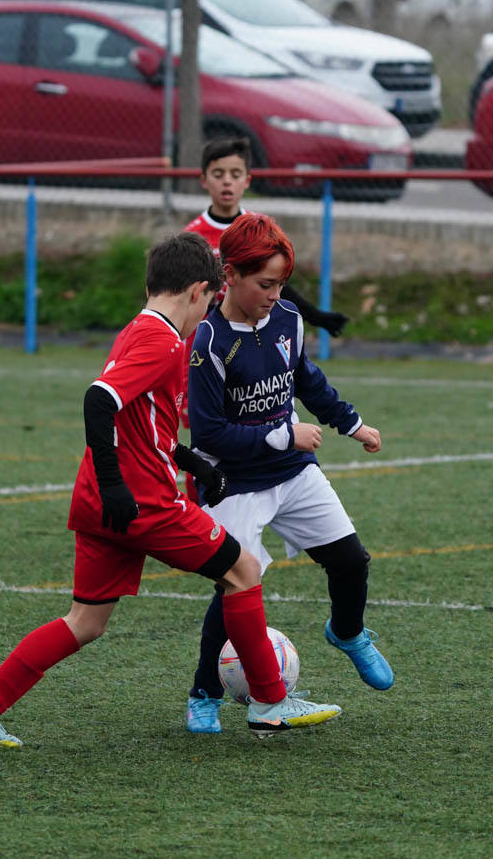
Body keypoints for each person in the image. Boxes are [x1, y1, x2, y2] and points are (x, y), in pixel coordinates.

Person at [0, 232, 342, 748]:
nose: (211, 312)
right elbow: (98, 402)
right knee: (243, 569)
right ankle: (270, 702)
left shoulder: (137, 330)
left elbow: (140, 422)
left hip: (101, 503)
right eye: (212, 299)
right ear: (200, 290)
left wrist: (189, 458)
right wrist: (116, 484)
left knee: (85, 621)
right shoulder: (163, 341)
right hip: (141, 502)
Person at [182, 213, 391, 734]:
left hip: (292, 471)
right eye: (265, 284)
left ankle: (347, 632)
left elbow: (306, 380)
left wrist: (352, 423)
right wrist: (282, 434)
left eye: (281, 283)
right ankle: (204, 693)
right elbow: (207, 436)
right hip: (234, 482)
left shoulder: (289, 319)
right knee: (234, 587)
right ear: (229, 276)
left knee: (350, 562)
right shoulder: (208, 341)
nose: (275, 294)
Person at [184, 136, 349, 335]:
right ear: (204, 180)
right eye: (218, 174)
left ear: (247, 181)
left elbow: (276, 284)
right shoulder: (192, 236)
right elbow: (187, 297)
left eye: (235, 174)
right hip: (207, 338)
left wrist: (315, 316)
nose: (227, 181)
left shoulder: (261, 229)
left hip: (254, 335)